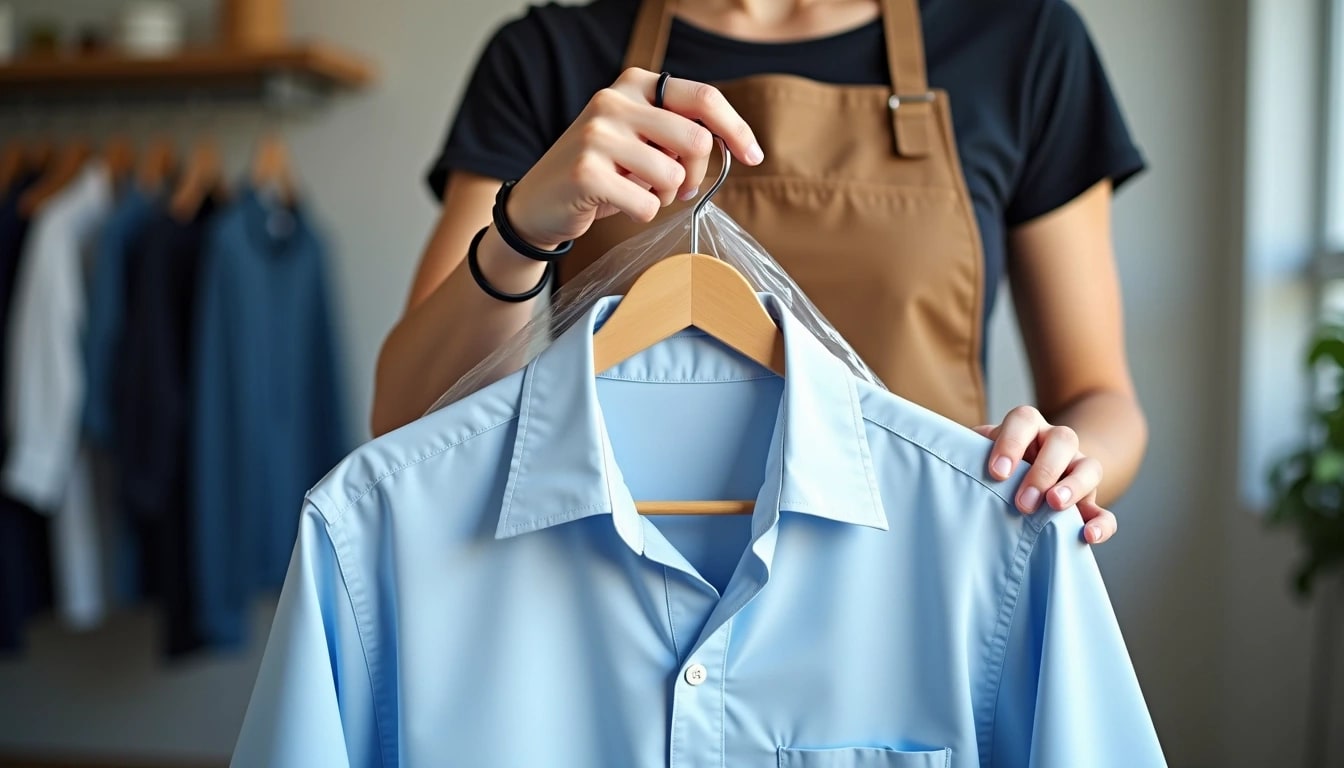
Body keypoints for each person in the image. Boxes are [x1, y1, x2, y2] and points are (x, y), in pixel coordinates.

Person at [372, 0, 1147, 546]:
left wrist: (1067, 466)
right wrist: (523, 226)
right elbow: (408, 428)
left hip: (916, 584)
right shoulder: (548, 57)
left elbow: (1100, 397)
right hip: (606, 603)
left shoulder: (1024, 41)